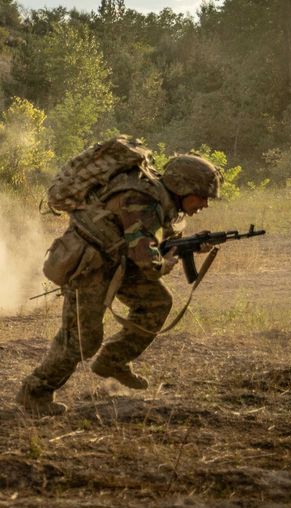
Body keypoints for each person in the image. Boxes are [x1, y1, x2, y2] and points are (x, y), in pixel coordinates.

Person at [17, 153, 221, 415]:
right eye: (202, 195)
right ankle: (35, 391)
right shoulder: (142, 200)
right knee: (82, 339)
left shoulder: (162, 200)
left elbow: (153, 240)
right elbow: (147, 259)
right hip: (90, 266)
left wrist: (187, 246)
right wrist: (165, 263)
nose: (204, 203)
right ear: (183, 187)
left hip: (117, 262)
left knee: (157, 303)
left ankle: (113, 360)